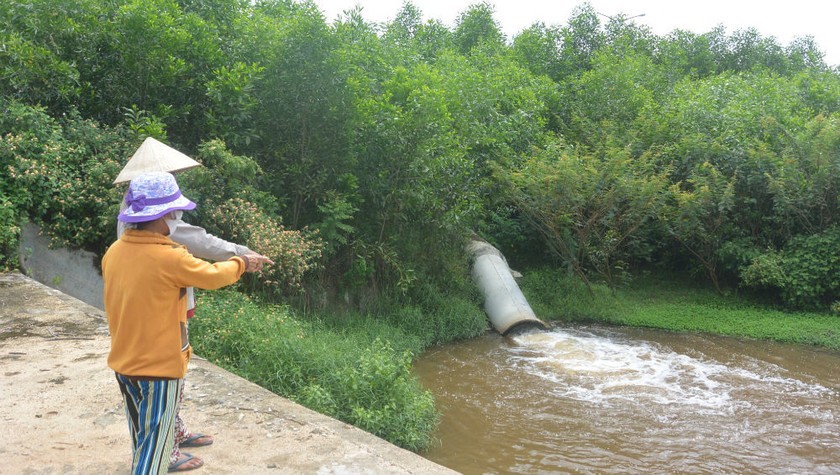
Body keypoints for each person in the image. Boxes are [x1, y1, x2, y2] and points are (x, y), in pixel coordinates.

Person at [113, 137, 273, 471]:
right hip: (158, 364)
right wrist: (243, 260)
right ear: (167, 215)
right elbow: (212, 272)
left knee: (142, 435)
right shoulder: (168, 254)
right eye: (174, 211)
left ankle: (172, 430)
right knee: (151, 460)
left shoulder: (115, 251)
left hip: (125, 357)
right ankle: (166, 447)